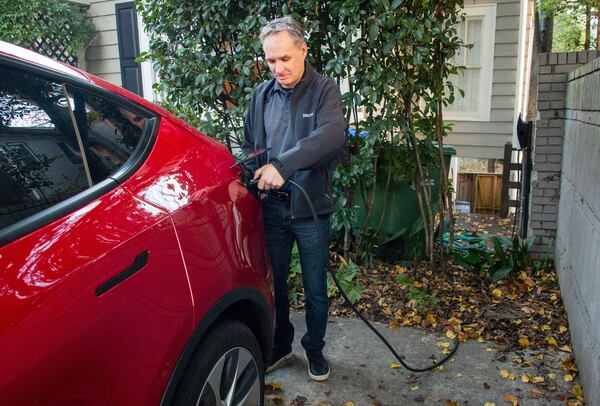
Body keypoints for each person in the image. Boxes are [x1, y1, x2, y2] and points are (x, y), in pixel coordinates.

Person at [242, 16, 345, 381]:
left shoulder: (324, 90)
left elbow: (331, 137)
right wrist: (251, 171)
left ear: (302, 50)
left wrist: (283, 165)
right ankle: (281, 345)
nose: (278, 68)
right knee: (276, 285)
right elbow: (252, 146)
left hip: (311, 210)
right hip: (272, 208)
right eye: (271, 61)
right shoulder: (261, 95)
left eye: (285, 58)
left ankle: (314, 350)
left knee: (316, 287)